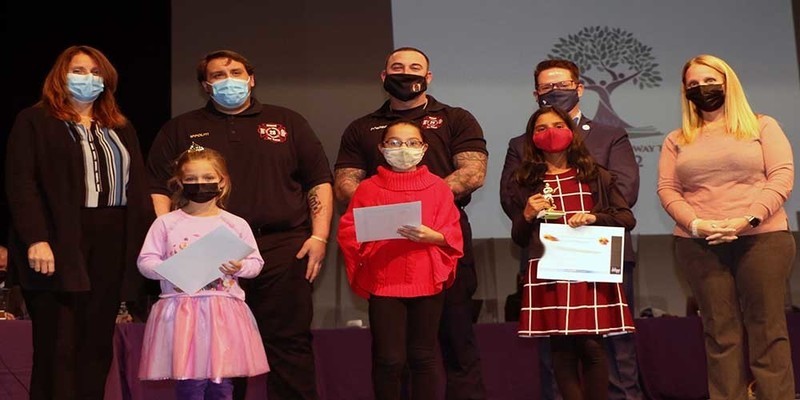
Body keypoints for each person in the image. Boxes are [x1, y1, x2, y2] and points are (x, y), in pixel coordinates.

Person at [146, 49, 332, 400]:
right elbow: (157, 186)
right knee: (220, 347)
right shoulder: (180, 128)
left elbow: (318, 180)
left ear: (251, 79)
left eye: (235, 73)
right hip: (207, 251)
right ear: (205, 85)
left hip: (283, 246)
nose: (228, 80)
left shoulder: (288, 121)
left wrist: (320, 236)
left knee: (289, 341)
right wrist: (168, 237)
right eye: (218, 75)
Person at [335, 47, 488, 399]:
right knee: (390, 356)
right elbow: (345, 184)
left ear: (428, 76)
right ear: (384, 76)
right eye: (398, 67)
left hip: (440, 236)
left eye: (415, 67)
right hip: (383, 249)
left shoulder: (456, 118)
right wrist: (384, 204)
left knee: (455, 338)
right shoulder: (361, 127)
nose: (406, 73)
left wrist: (424, 200)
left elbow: (473, 172)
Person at [5, 45, 153, 399]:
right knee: (58, 344)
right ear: (61, 75)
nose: (89, 78)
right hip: (58, 239)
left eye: (96, 72)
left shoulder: (120, 126)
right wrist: (36, 238)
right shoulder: (35, 120)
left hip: (112, 238)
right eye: (80, 70)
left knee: (96, 344)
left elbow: (138, 186)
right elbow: (21, 182)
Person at [499, 58, 641, 400]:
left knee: (611, 347)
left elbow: (625, 193)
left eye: (562, 85)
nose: (555, 91)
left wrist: (590, 217)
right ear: (535, 94)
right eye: (546, 87)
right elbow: (511, 200)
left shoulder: (609, 136)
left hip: (599, 255)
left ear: (579, 88)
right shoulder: (521, 145)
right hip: (548, 257)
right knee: (556, 352)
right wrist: (530, 212)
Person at [657, 54, 795, 400]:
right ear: (685, 92)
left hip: (762, 238)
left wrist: (748, 219)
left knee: (767, 329)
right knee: (720, 333)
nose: (702, 89)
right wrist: (697, 224)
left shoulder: (762, 125)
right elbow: (668, 189)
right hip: (699, 244)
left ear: (727, 82)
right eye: (693, 84)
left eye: (709, 81)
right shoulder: (677, 139)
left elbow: (781, 176)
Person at [338, 120, 464, 400]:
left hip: (426, 279)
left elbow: (453, 233)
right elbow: (348, 230)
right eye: (394, 143)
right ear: (382, 148)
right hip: (384, 280)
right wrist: (368, 238)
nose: (403, 149)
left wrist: (434, 236)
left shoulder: (438, 188)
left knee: (423, 356)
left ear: (424, 148)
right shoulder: (368, 189)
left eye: (412, 143)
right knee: (389, 359)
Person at [137, 144, 269, 399]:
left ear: (222, 181)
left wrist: (240, 266)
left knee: (222, 382)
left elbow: (256, 263)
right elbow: (145, 261)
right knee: (190, 382)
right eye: (191, 179)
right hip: (183, 311)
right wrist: (170, 270)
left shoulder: (234, 224)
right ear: (180, 183)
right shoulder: (166, 223)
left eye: (208, 178)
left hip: (223, 312)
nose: (200, 184)